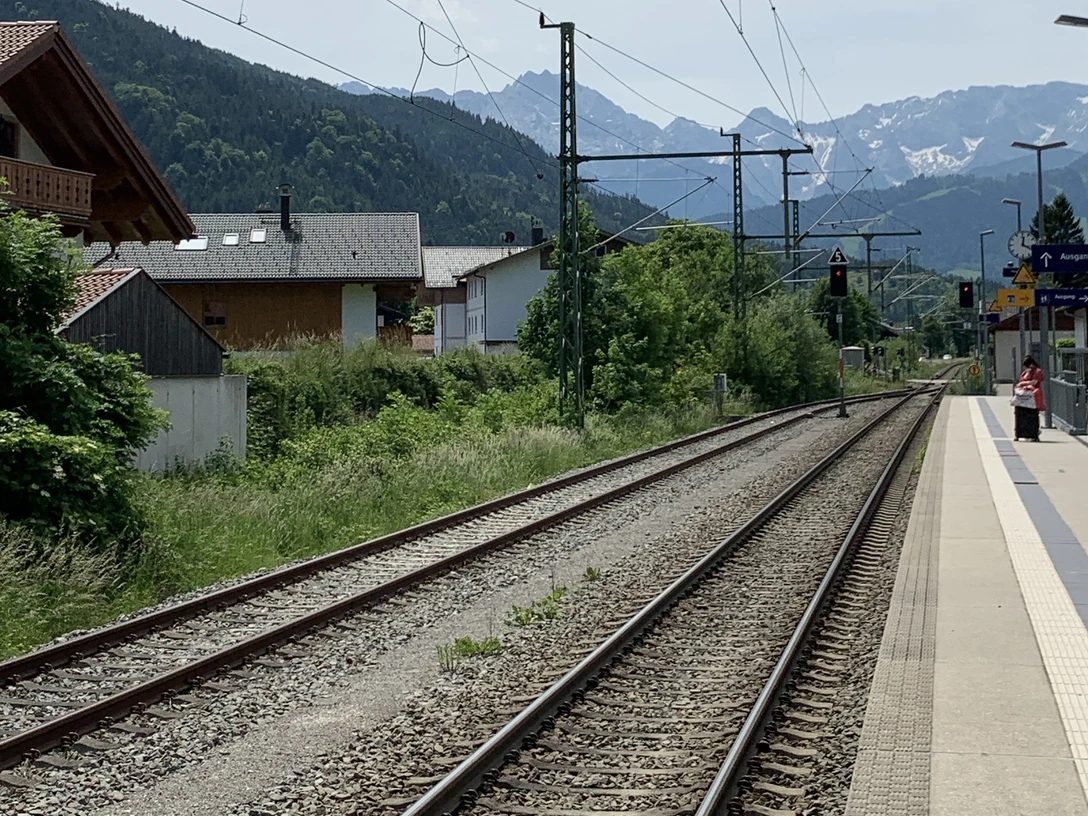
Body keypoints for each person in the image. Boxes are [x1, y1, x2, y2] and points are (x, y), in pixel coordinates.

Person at [1013, 356, 1045, 442]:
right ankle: (1020, 432)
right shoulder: (1025, 372)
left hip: (1032, 396)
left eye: (1026, 366)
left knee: (1032, 415)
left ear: (1031, 364)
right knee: (1020, 414)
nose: (1025, 368)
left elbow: (1034, 382)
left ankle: (1033, 433)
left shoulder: (1037, 371)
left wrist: (1022, 383)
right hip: (1022, 396)